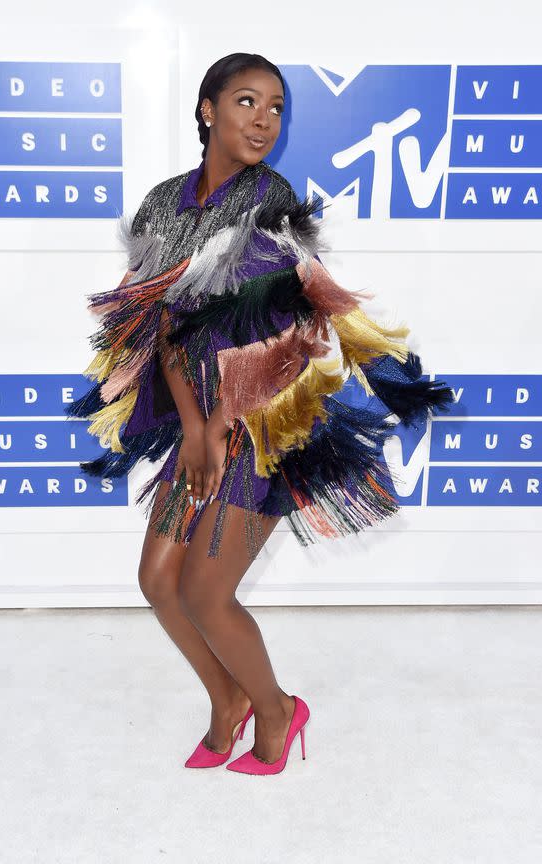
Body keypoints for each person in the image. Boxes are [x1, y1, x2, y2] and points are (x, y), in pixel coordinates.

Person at [66, 53, 455, 775]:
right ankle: (228, 701)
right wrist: (192, 424)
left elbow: (292, 338)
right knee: (157, 582)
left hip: (269, 420)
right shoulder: (163, 203)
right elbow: (159, 328)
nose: (263, 119)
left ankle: (276, 710)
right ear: (207, 109)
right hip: (201, 418)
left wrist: (221, 425)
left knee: (206, 594)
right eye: (245, 101)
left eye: (275, 107)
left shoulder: (269, 199)